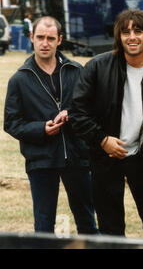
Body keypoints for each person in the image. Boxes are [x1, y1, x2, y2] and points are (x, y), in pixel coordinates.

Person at [69, 9, 143, 237]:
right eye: (125, 32)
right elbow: (77, 112)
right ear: (118, 36)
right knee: (111, 230)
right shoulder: (96, 67)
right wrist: (102, 140)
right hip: (105, 158)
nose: (132, 37)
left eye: (138, 31)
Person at [3, 16, 98, 234]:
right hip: (41, 159)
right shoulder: (19, 79)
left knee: (87, 220)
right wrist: (41, 129)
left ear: (59, 40)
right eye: (40, 37)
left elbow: (92, 108)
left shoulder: (76, 70)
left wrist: (72, 114)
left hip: (77, 155)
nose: (45, 43)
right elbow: (11, 123)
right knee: (44, 225)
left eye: (50, 38)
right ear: (32, 38)